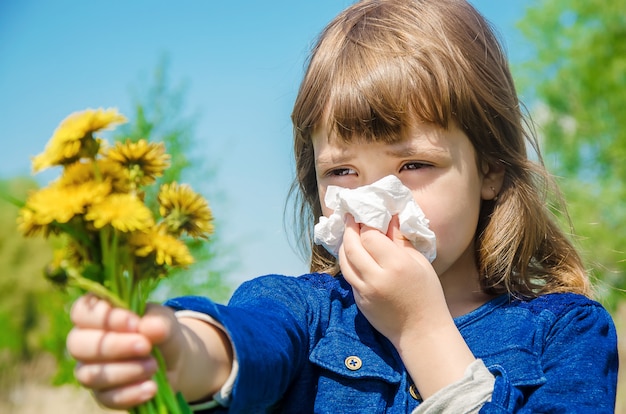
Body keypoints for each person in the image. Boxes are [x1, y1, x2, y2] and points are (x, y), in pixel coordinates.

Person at [66, 0, 619, 412]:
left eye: (414, 166)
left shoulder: (566, 331)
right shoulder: (308, 311)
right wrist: (178, 351)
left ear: (490, 169)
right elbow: (250, 338)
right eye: (343, 172)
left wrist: (421, 330)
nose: (376, 205)